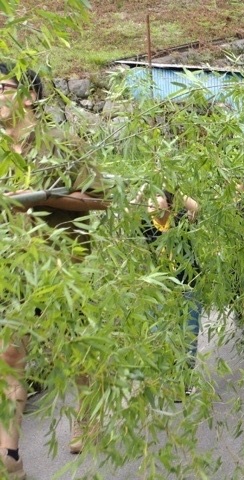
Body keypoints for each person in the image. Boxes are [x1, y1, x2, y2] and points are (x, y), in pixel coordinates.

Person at [1, 63, 108, 479]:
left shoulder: (61, 144)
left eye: (1, 86)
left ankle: (86, 414)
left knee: (77, 351)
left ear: (28, 96)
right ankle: (10, 456)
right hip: (13, 272)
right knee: (10, 358)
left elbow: (100, 199)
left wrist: (42, 198)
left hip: (66, 268)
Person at [138, 189, 201, 388]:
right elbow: (125, 210)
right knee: (161, 335)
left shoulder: (180, 221)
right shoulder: (147, 227)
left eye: (157, 196)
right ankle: (169, 377)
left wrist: (172, 185)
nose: (152, 202)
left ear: (169, 202)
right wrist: (141, 191)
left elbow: (196, 208)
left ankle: (184, 381)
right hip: (161, 291)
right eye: (149, 198)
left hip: (187, 286)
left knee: (188, 336)